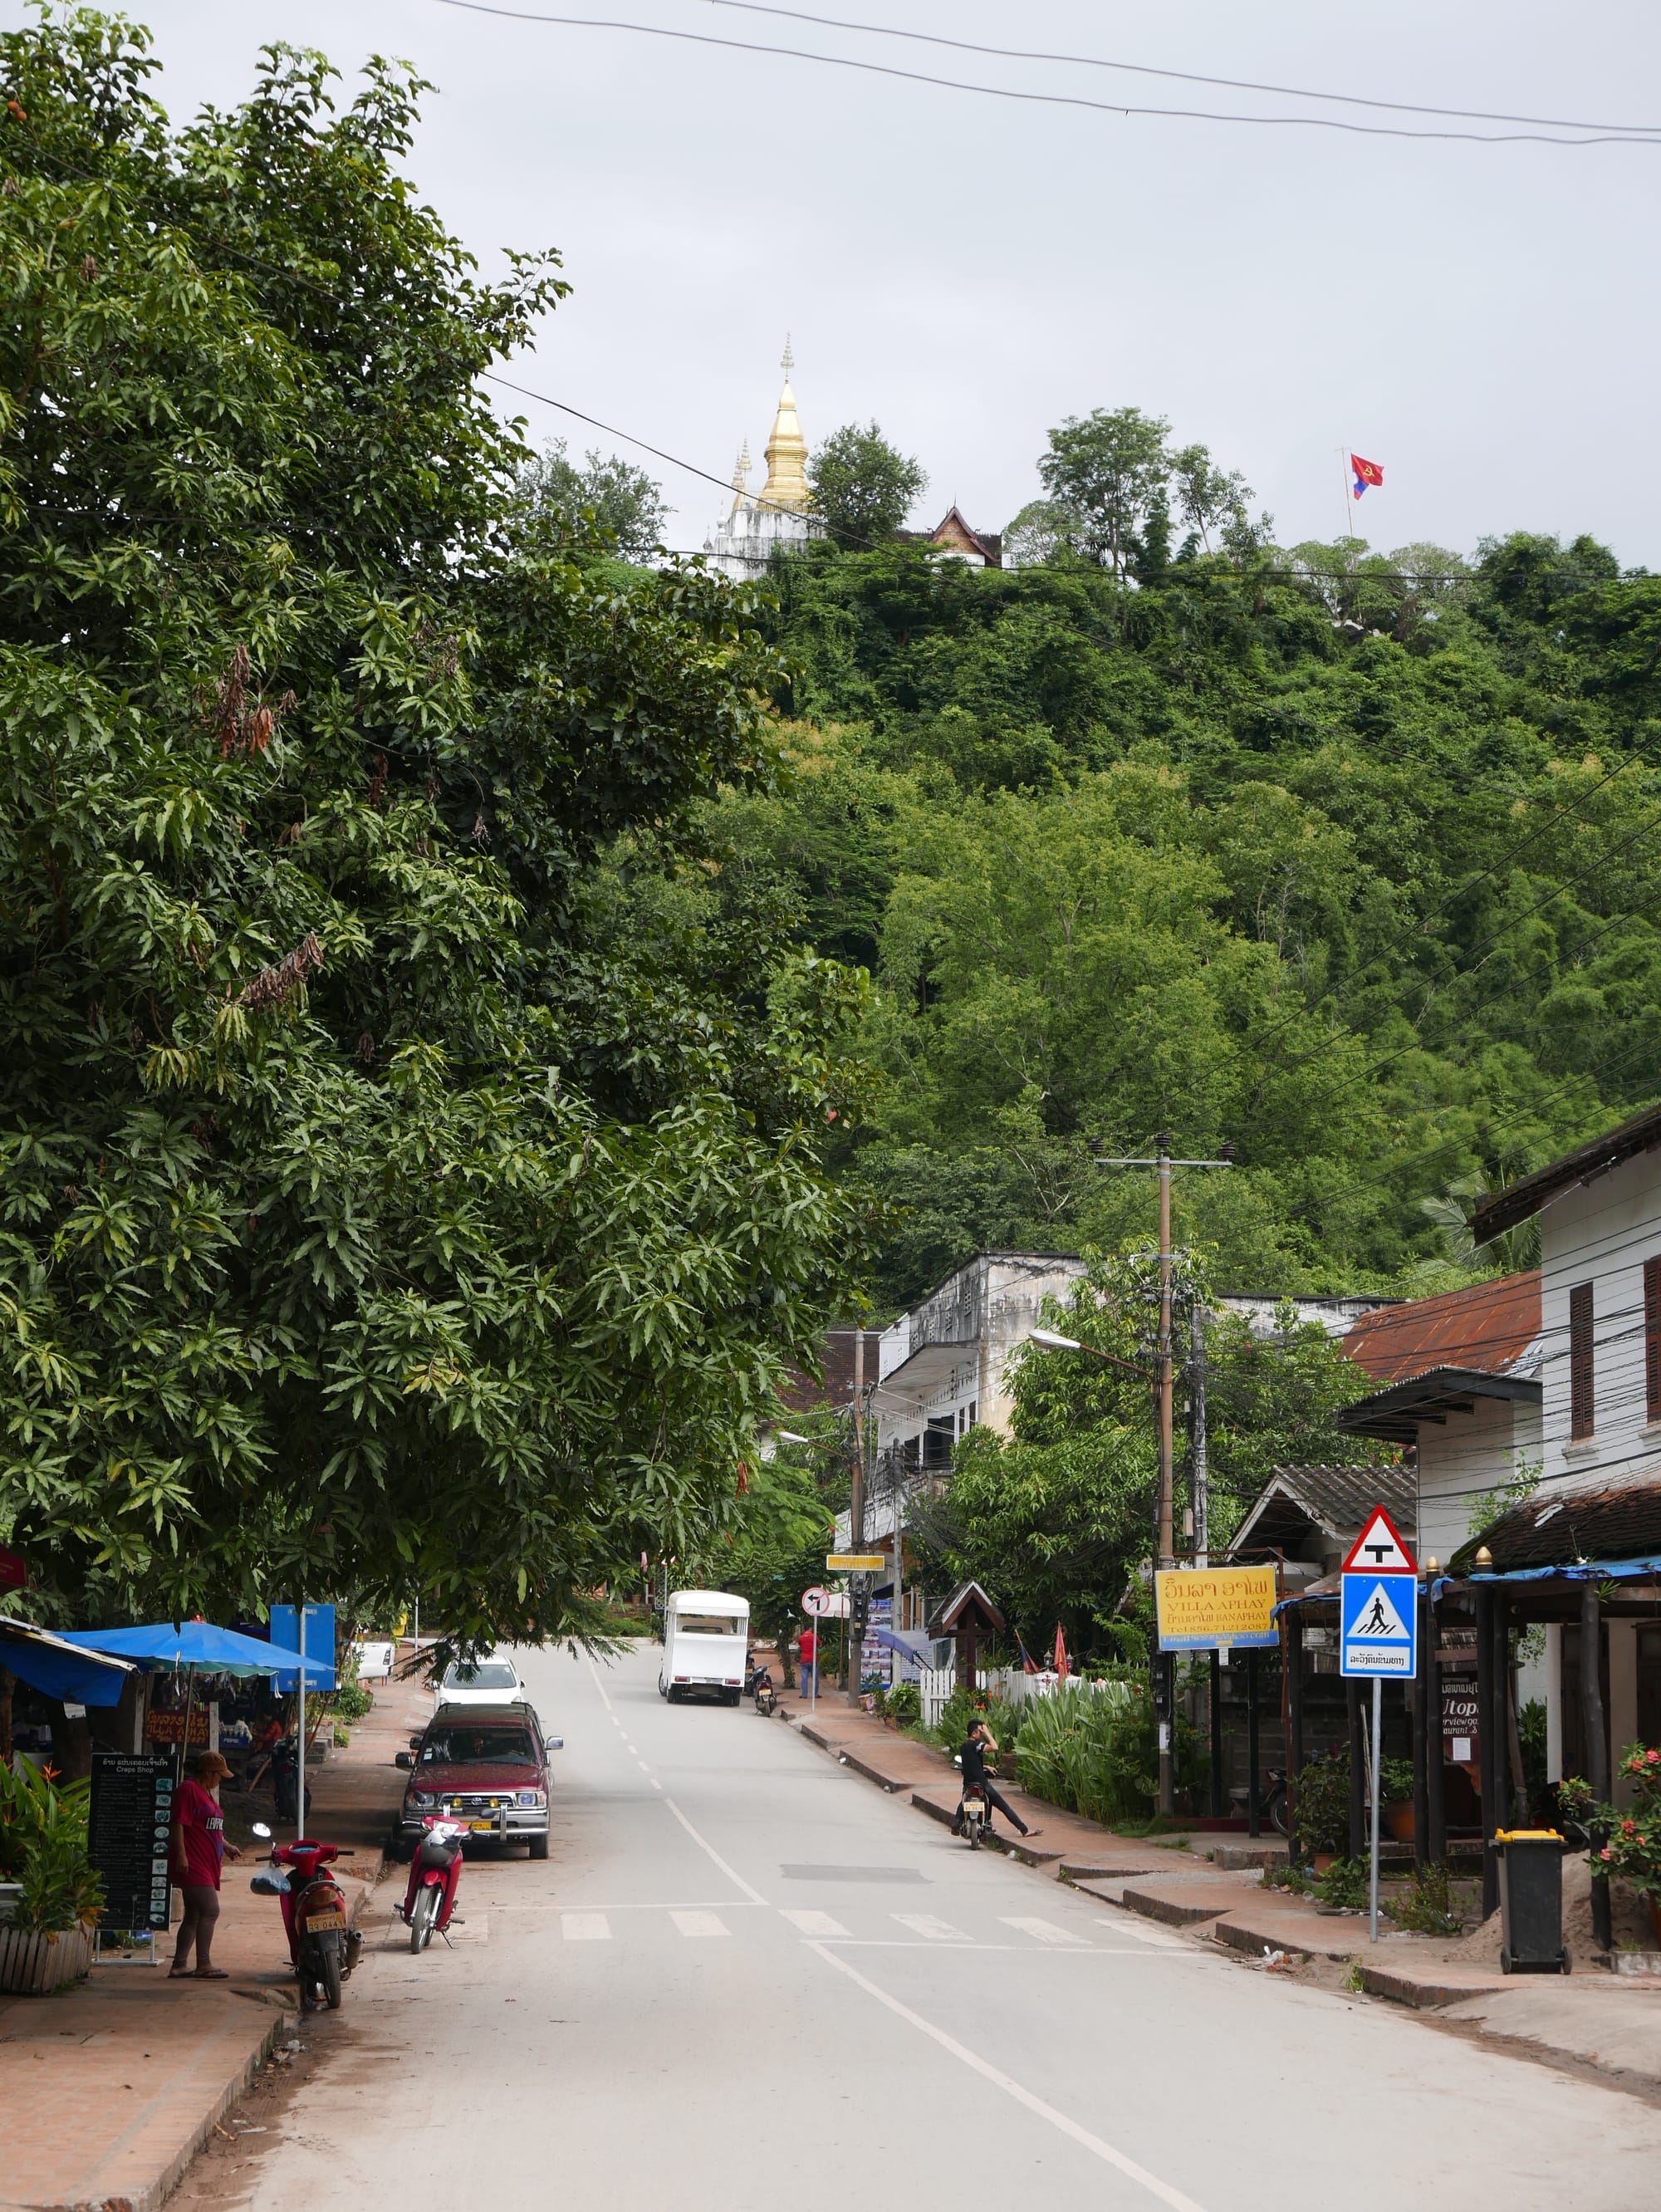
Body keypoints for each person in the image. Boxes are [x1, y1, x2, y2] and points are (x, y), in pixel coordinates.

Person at [169, 1749, 243, 1979]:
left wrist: (227, 1846)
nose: (220, 1780)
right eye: (218, 1775)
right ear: (208, 1772)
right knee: (211, 1909)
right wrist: (181, 1855)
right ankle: (204, 1964)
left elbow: (210, 1827)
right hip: (193, 1862)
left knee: (195, 1914)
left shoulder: (207, 1794)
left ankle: (179, 1964)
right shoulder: (188, 1791)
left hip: (207, 1863)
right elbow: (178, 1824)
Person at [954, 1718, 1041, 1842]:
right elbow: (995, 1747)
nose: (982, 1734)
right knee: (1004, 1807)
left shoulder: (964, 1747)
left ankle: (957, 1821)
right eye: (980, 1732)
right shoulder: (977, 1745)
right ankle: (1024, 1830)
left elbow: (970, 1762)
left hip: (968, 1784)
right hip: (982, 1784)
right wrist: (988, 1733)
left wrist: (985, 1766)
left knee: (964, 1800)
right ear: (974, 1733)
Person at [796, 1622, 817, 1700]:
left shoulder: (801, 1637)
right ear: (810, 1628)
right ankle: (815, 1694)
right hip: (813, 1659)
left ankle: (804, 1694)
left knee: (804, 1678)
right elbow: (819, 1644)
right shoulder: (814, 1636)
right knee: (814, 1678)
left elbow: (800, 1644)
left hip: (804, 1659)